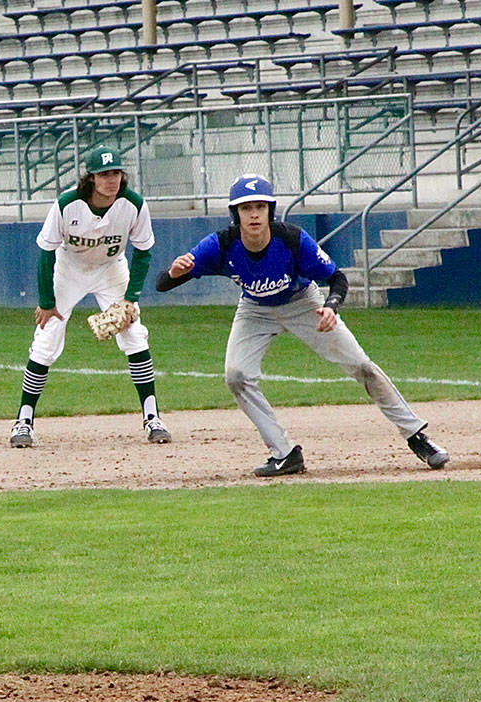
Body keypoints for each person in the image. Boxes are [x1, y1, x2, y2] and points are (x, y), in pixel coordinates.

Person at [159, 173, 449, 477]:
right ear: (236, 214)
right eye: (246, 208)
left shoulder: (291, 239)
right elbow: (163, 283)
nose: (254, 214)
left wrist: (331, 306)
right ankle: (284, 454)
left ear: (271, 210)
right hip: (254, 310)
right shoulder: (221, 245)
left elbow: (337, 278)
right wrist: (175, 272)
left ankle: (418, 437)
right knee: (236, 375)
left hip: (304, 303)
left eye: (261, 206)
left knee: (361, 365)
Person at [9, 144, 171, 448]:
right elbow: (46, 253)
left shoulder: (134, 204)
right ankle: (23, 420)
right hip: (70, 269)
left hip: (111, 270)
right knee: (46, 338)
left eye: (116, 173)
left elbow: (144, 252)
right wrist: (46, 303)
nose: (111, 180)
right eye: (104, 174)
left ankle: (153, 418)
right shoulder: (67, 204)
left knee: (134, 334)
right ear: (91, 178)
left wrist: (130, 297)